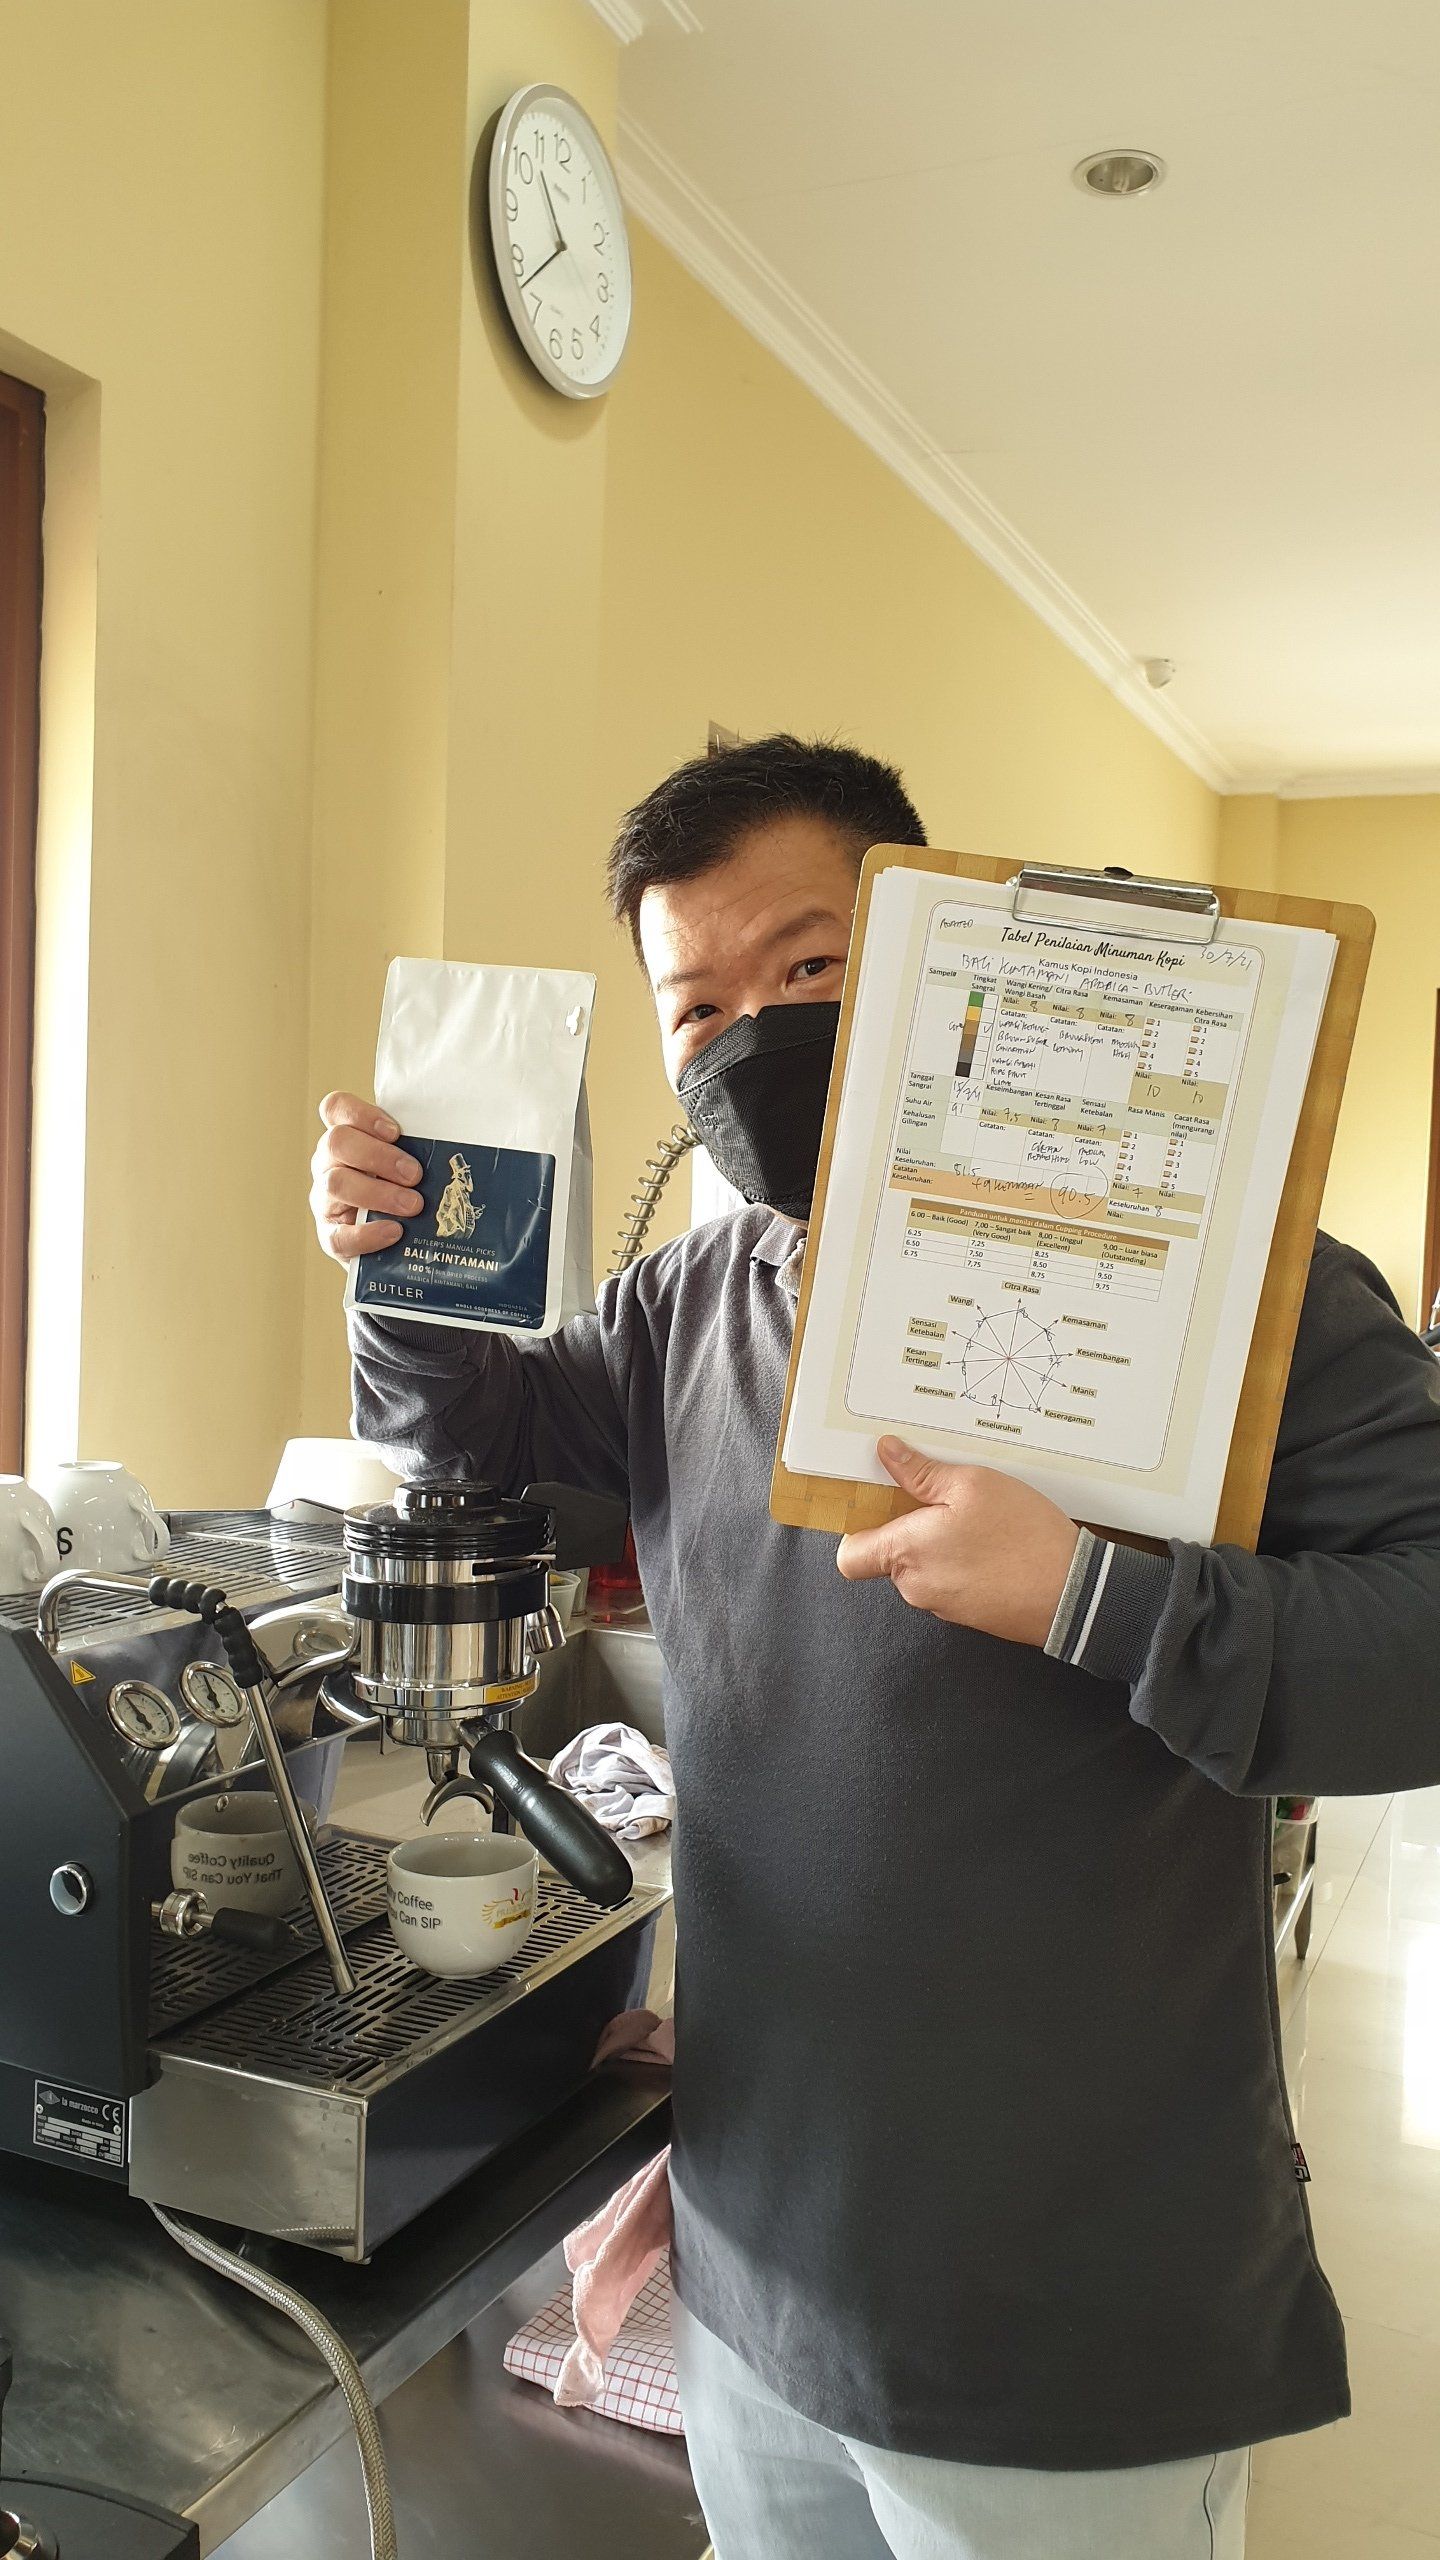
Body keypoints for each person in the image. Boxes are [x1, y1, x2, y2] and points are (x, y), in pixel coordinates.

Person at [311, 735, 1440, 2560]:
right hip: (760, 2271)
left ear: (941, 947)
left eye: (812, 966)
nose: (750, 1034)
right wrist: (402, 1275)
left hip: (1067, 2318)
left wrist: (1095, 1592)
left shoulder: (1224, 1281)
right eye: (697, 1006)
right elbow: (486, 1448)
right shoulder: (689, 1300)